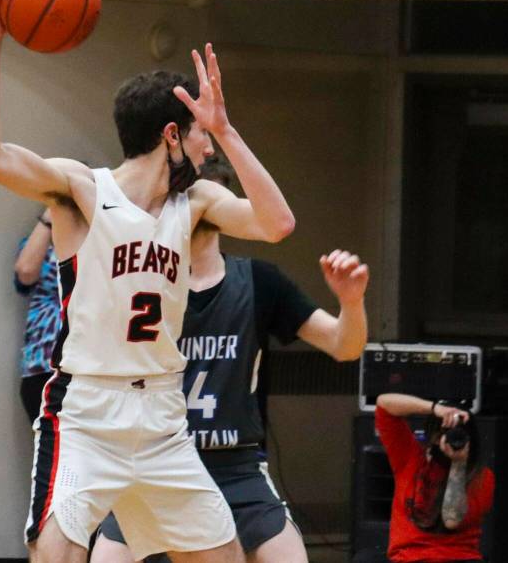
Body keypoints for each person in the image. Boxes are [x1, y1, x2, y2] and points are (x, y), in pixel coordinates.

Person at [0, 0, 295, 563]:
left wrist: (226, 128)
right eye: (199, 133)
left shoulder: (196, 203)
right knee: (57, 556)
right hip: (88, 412)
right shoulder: (82, 191)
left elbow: (277, 223)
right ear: (171, 134)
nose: (206, 147)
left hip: (164, 419)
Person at [92, 156, 369, 563]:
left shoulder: (260, 281)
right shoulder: (141, 284)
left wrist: (352, 302)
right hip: (155, 463)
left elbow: (345, 346)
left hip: (236, 468)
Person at [371, 393, 496, 563]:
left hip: (458, 558)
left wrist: (458, 464)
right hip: (408, 558)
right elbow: (384, 403)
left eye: (458, 434)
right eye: (443, 432)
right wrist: (435, 409)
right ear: (434, 435)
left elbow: (452, 521)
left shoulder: (482, 476)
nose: (449, 438)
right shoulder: (410, 458)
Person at [14, 207, 61, 423]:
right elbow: (25, 273)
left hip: (87, 370)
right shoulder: (43, 244)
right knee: (50, 452)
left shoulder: (99, 241)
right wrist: (51, 213)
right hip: (42, 366)